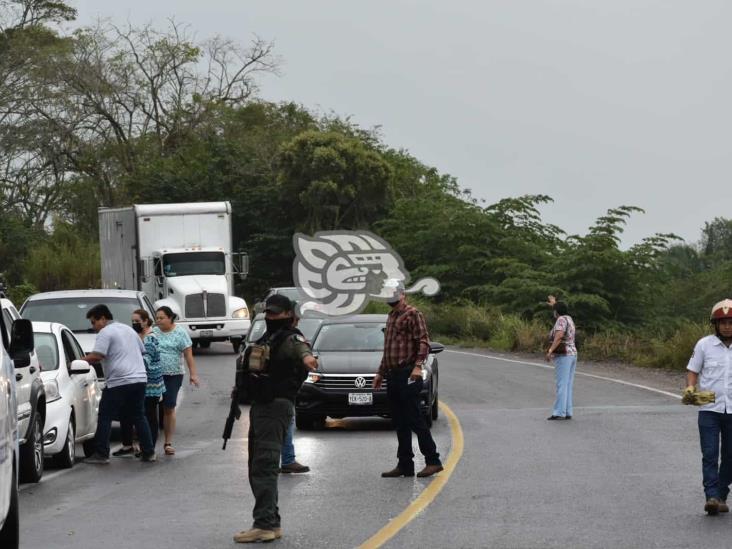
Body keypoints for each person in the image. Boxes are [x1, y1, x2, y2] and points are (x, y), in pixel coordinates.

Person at [234, 294, 317, 543]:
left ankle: (264, 525)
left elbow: (302, 350)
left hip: (275, 407)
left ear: (289, 315)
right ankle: (271, 521)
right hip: (262, 407)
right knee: (257, 466)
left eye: (276, 313)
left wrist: (308, 359)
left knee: (265, 467)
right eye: (268, 313)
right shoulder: (269, 337)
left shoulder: (291, 337)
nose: (271, 317)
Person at [373, 279, 443, 478]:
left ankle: (433, 460)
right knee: (399, 421)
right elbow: (389, 350)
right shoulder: (391, 316)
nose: (392, 297)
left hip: (408, 373)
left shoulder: (413, 314)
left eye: (395, 293)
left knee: (414, 418)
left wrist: (418, 366)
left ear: (403, 294)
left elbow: (423, 342)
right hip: (393, 374)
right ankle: (405, 464)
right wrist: (381, 372)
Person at [82, 304, 156, 464]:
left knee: (105, 415)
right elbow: (141, 350)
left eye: (94, 322)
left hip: (119, 381)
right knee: (138, 415)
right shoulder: (128, 329)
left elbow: (97, 356)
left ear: (103, 318)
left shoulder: (105, 332)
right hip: (139, 379)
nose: (93, 326)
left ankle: (101, 453)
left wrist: (79, 361)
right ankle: (149, 452)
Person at [686, 298, 732, 515]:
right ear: (715, 324)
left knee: (730, 455)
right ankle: (711, 496)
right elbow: (693, 371)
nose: (727, 326)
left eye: (731, 322)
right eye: (722, 322)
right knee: (710, 453)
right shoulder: (704, 345)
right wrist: (690, 389)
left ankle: (722, 493)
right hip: (709, 409)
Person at [114, 309, 166, 457]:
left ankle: (149, 447)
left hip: (151, 382)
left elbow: (146, 360)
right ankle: (136, 445)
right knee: (133, 413)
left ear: (145, 321)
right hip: (138, 379)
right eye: (133, 321)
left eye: (137, 321)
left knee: (149, 415)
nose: (135, 324)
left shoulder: (150, 338)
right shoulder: (137, 336)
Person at [154, 306, 200, 456]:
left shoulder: (180, 333)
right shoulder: (153, 332)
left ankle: (168, 442)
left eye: (161, 318)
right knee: (149, 407)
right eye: (157, 318)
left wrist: (193, 374)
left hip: (173, 375)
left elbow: (188, 355)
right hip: (154, 375)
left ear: (170, 318)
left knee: (169, 407)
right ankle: (147, 442)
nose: (158, 321)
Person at [280, 305, 310, 474]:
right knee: (288, 423)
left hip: (271, 390)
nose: (297, 323)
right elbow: (303, 356)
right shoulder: (292, 336)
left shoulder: (269, 335)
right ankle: (288, 459)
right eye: (296, 319)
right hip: (284, 389)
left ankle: (283, 459)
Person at [545, 296, 578, 420]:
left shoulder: (560, 320)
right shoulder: (569, 318)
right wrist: (555, 304)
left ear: (556, 312)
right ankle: (568, 411)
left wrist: (550, 351)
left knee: (561, 384)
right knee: (568, 384)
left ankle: (559, 412)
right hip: (573, 353)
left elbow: (558, 336)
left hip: (564, 355)